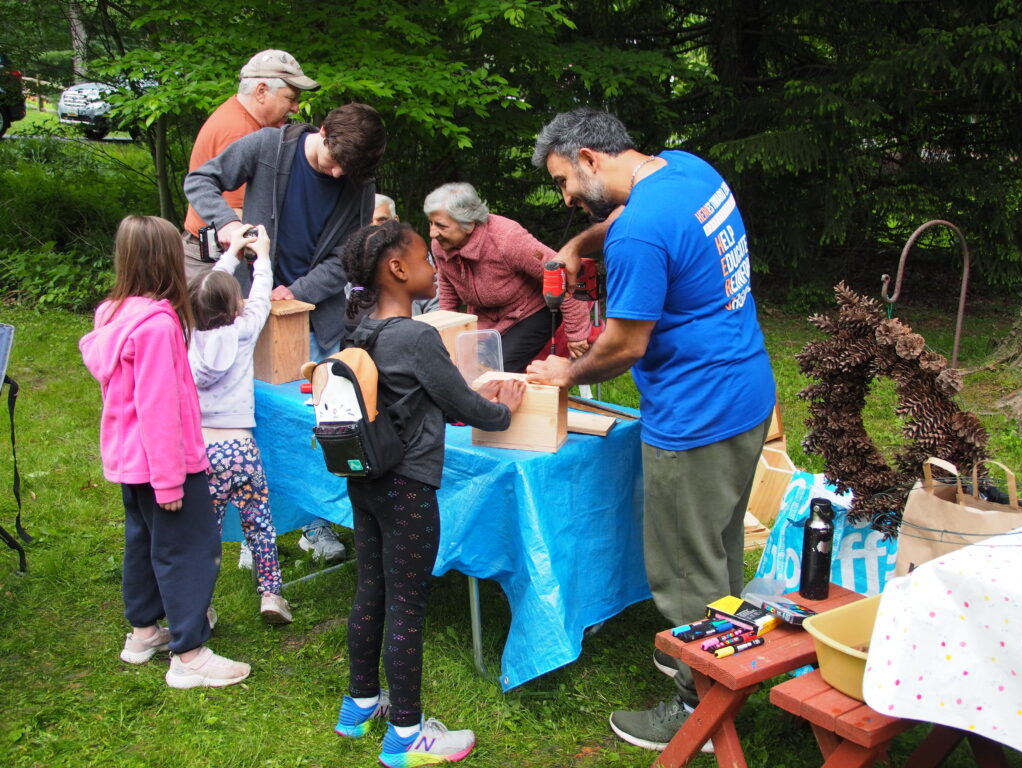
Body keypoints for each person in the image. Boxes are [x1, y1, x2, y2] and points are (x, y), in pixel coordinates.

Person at [527, 108, 776, 752]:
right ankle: (727, 654)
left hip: (694, 416)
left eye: (564, 182)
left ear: (588, 158)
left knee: (685, 570)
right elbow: (623, 221)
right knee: (718, 546)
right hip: (746, 394)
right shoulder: (687, 170)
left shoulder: (638, 230)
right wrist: (583, 245)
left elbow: (625, 345)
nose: (566, 198)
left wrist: (564, 371)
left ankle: (700, 704)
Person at [333, 220, 524, 767]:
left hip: (364, 481)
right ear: (397, 269)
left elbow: (416, 398)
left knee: (371, 590)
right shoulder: (417, 337)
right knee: (408, 605)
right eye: (424, 259)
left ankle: (359, 703)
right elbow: (466, 407)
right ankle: (408, 734)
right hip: (408, 487)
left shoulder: (359, 332)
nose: (432, 267)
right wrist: (503, 406)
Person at [184, 102, 387, 563]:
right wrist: (227, 222)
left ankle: (315, 525)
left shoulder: (358, 181)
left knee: (316, 425)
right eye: (333, 161)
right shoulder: (267, 147)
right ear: (322, 130)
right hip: (246, 313)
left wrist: (293, 293)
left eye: (348, 171)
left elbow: (347, 258)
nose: (337, 175)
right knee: (252, 422)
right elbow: (200, 180)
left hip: (313, 318)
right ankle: (257, 527)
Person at [79, 215, 250, 689]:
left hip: (130, 462)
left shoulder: (111, 313)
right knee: (187, 552)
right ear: (165, 261)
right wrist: (171, 478)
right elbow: (159, 407)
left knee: (144, 544)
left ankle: (143, 632)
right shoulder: (157, 327)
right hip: (164, 464)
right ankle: (189, 654)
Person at [187, 224, 292, 625]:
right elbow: (262, 295)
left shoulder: (186, 335)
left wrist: (229, 253)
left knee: (205, 534)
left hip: (204, 449)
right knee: (260, 522)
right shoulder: (244, 330)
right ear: (235, 306)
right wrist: (260, 255)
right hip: (241, 448)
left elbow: (204, 290)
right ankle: (271, 595)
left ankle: (199, 605)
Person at [182, 49, 320, 284]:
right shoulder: (240, 130)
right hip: (214, 262)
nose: (296, 108)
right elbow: (242, 217)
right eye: (290, 98)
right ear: (261, 91)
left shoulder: (240, 116)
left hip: (213, 255)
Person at [423, 182, 592, 373]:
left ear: (469, 224)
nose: (432, 233)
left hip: (530, 313)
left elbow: (559, 275)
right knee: (460, 366)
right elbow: (447, 287)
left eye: (441, 226)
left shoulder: (507, 240)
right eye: (430, 223)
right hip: (485, 316)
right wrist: (446, 332)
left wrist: (577, 334)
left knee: (493, 369)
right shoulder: (440, 245)